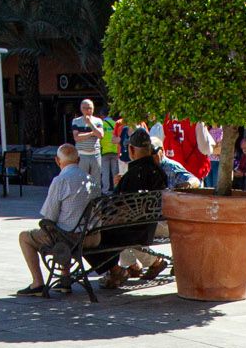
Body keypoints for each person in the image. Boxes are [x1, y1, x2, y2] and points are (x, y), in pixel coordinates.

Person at [15, 143, 93, 296]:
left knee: (25, 236)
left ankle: (37, 283)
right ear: (78, 160)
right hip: (92, 237)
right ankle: (65, 279)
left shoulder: (60, 180)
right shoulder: (91, 179)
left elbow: (49, 216)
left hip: (71, 238)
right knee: (64, 226)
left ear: (58, 161)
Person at [98, 129, 170, 290]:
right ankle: (134, 266)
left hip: (133, 229)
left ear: (131, 150)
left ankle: (115, 270)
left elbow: (115, 205)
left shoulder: (133, 175)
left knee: (96, 236)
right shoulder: (159, 172)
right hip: (148, 226)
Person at [71, 99, 107, 196]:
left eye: (89, 108)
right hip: (82, 155)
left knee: (96, 181)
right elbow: (77, 137)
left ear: (93, 109)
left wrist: (90, 124)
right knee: (81, 181)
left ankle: (96, 201)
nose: (87, 110)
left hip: (95, 155)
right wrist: (92, 133)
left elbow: (100, 135)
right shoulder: (76, 121)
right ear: (81, 109)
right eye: (85, 108)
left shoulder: (98, 121)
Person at [161, 117, 209, 183]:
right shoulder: (195, 119)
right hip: (193, 173)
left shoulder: (166, 119)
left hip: (172, 172)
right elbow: (205, 149)